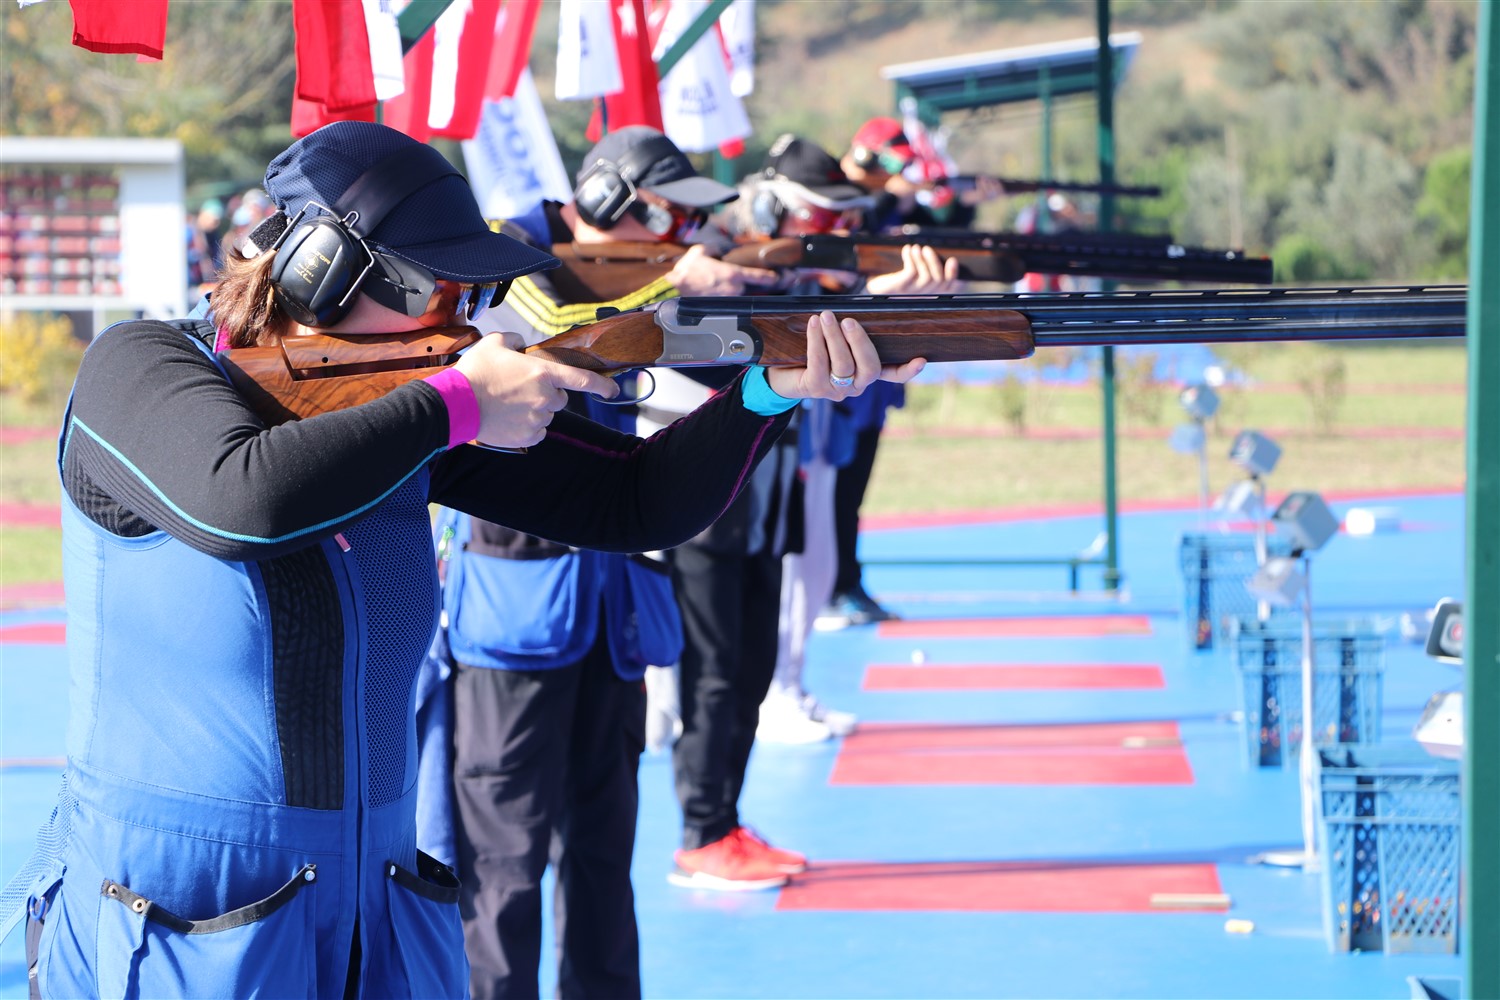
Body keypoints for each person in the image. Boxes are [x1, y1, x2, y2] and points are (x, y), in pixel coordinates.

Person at [1, 120, 922, 998]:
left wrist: (767, 391)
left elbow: (633, 501)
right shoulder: (138, 368)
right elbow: (243, 499)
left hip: (373, 910)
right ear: (316, 270)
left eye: (471, 297)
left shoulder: (402, 408)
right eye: (432, 289)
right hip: (176, 924)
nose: (458, 321)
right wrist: (454, 406)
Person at [417, 125, 776, 999]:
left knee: (606, 863)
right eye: (669, 217)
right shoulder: (505, 258)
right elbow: (545, 325)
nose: (683, 238)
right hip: (513, 622)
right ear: (614, 200)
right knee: (502, 871)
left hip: (611, 616)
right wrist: (667, 284)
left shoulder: (645, 275)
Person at [727, 134, 960, 743]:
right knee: (779, 570)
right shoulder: (734, 260)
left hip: (807, 435)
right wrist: (866, 302)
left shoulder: (795, 270)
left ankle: (788, 687)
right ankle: (771, 695)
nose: (842, 226)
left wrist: (877, 303)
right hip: (757, 445)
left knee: (815, 557)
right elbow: (780, 320)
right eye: (823, 212)